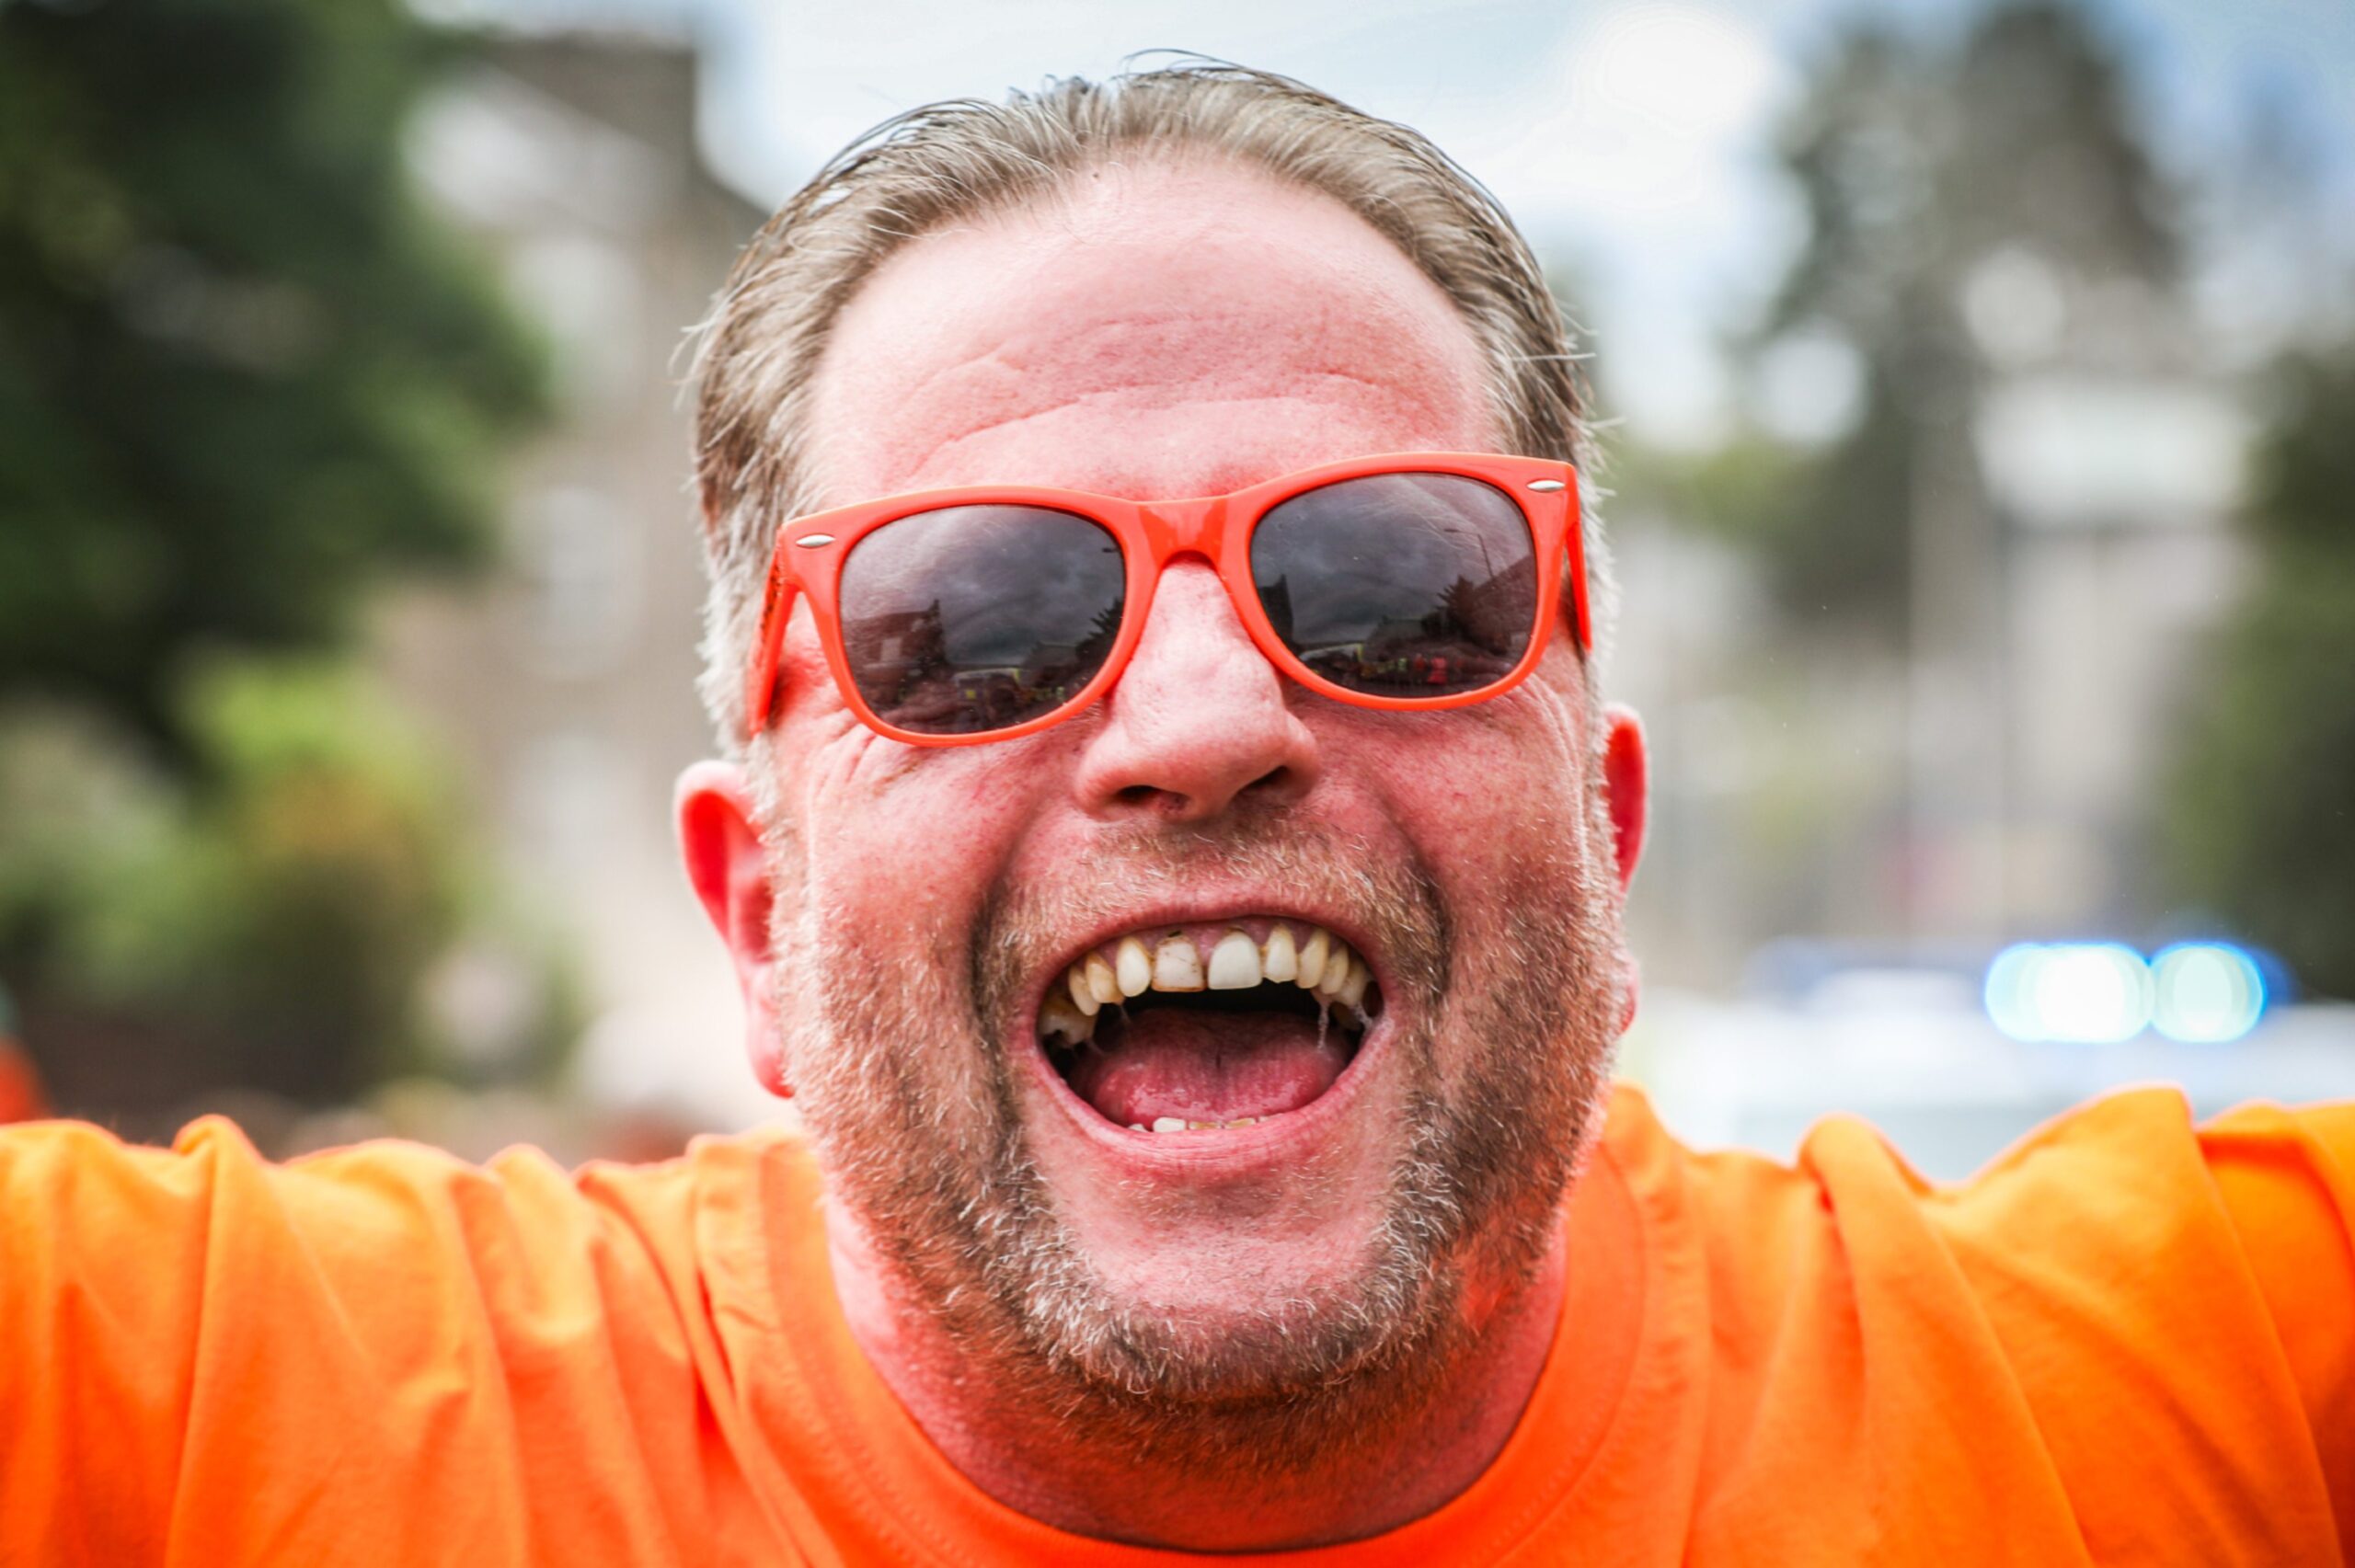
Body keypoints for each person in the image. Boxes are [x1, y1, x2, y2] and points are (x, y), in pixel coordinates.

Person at [2, 63, 2349, 1566]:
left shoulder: (2196, 1388)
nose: (1202, 718)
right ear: (755, 916)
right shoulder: (210, 1411)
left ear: (1607, 835)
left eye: (1397, 582)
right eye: (980, 615)